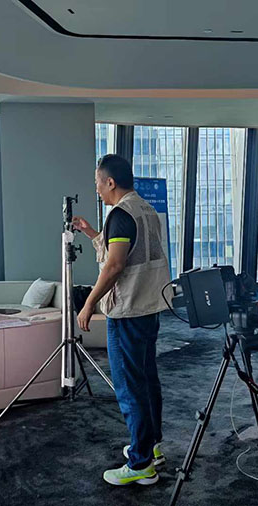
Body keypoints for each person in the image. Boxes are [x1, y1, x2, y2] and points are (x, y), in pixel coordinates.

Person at [72, 154, 172, 486]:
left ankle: (141, 463)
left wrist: (88, 304)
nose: (97, 189)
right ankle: (151, 446)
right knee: (147, 379)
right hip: (149, 306)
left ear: (110, 182)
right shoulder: (145, 210)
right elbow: (128, 251)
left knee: (130, 386)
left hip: (128, 311)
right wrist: (90, 232)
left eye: (98, 183)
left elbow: (115, 265)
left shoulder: (120, 214)